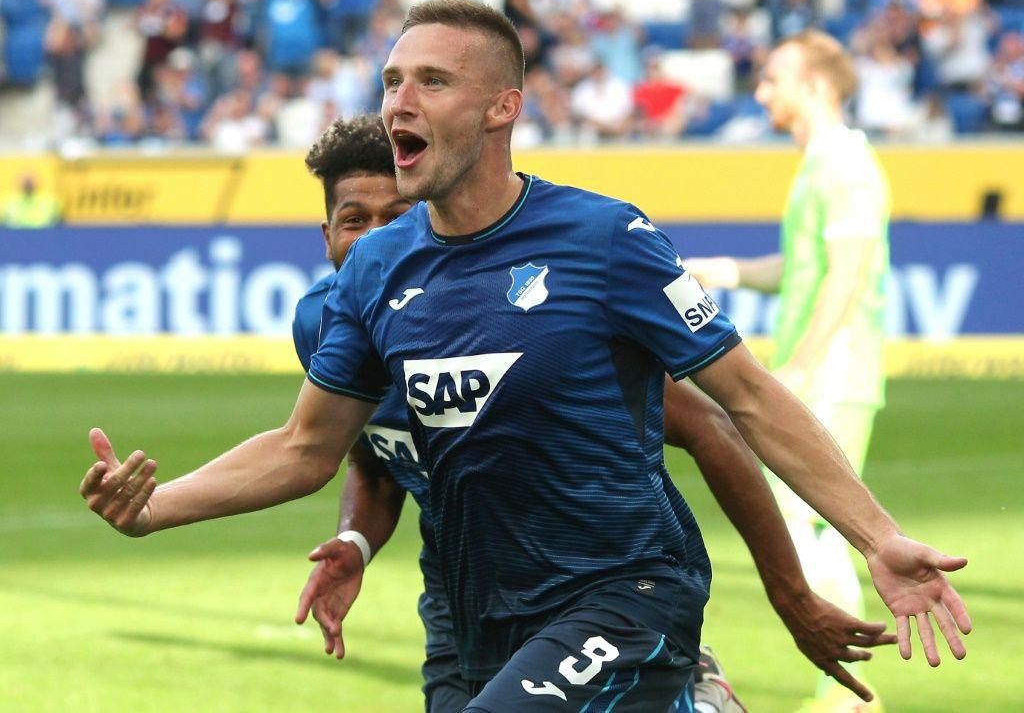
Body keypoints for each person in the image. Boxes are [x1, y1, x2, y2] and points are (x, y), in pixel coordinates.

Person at [80, 0, 971, 713]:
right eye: (392, 80)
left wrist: (876, 537)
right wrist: (154, 508)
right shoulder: (375, 272)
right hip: (473, 615)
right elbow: (305, 447)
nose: (400, 102)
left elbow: (744, 400)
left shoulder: (604, 239)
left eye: (432, 80)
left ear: (502, 107)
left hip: (627, 591)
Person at [291, 114, 899, 711]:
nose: (373, 239)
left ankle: (689, 690)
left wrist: (791, 595)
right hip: (463, 595)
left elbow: (714, 425)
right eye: (354, 221)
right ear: (326, 235)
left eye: (396, 217)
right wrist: (355, 541)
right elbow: (376, 459)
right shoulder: (323, 325)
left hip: (593, 577)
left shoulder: (513, 309)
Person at [685, 29, 894, 713]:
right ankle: (847, 693)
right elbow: (803, 268)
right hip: (825, 369)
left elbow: (848, 271)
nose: (761, 92)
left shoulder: (844, 165)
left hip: (832, 371)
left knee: (804, 520)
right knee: (811, 523)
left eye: (774, 78)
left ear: (817, 85)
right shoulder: (823, 164)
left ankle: (851, 694)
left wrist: (801, 366)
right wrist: (724, 270)